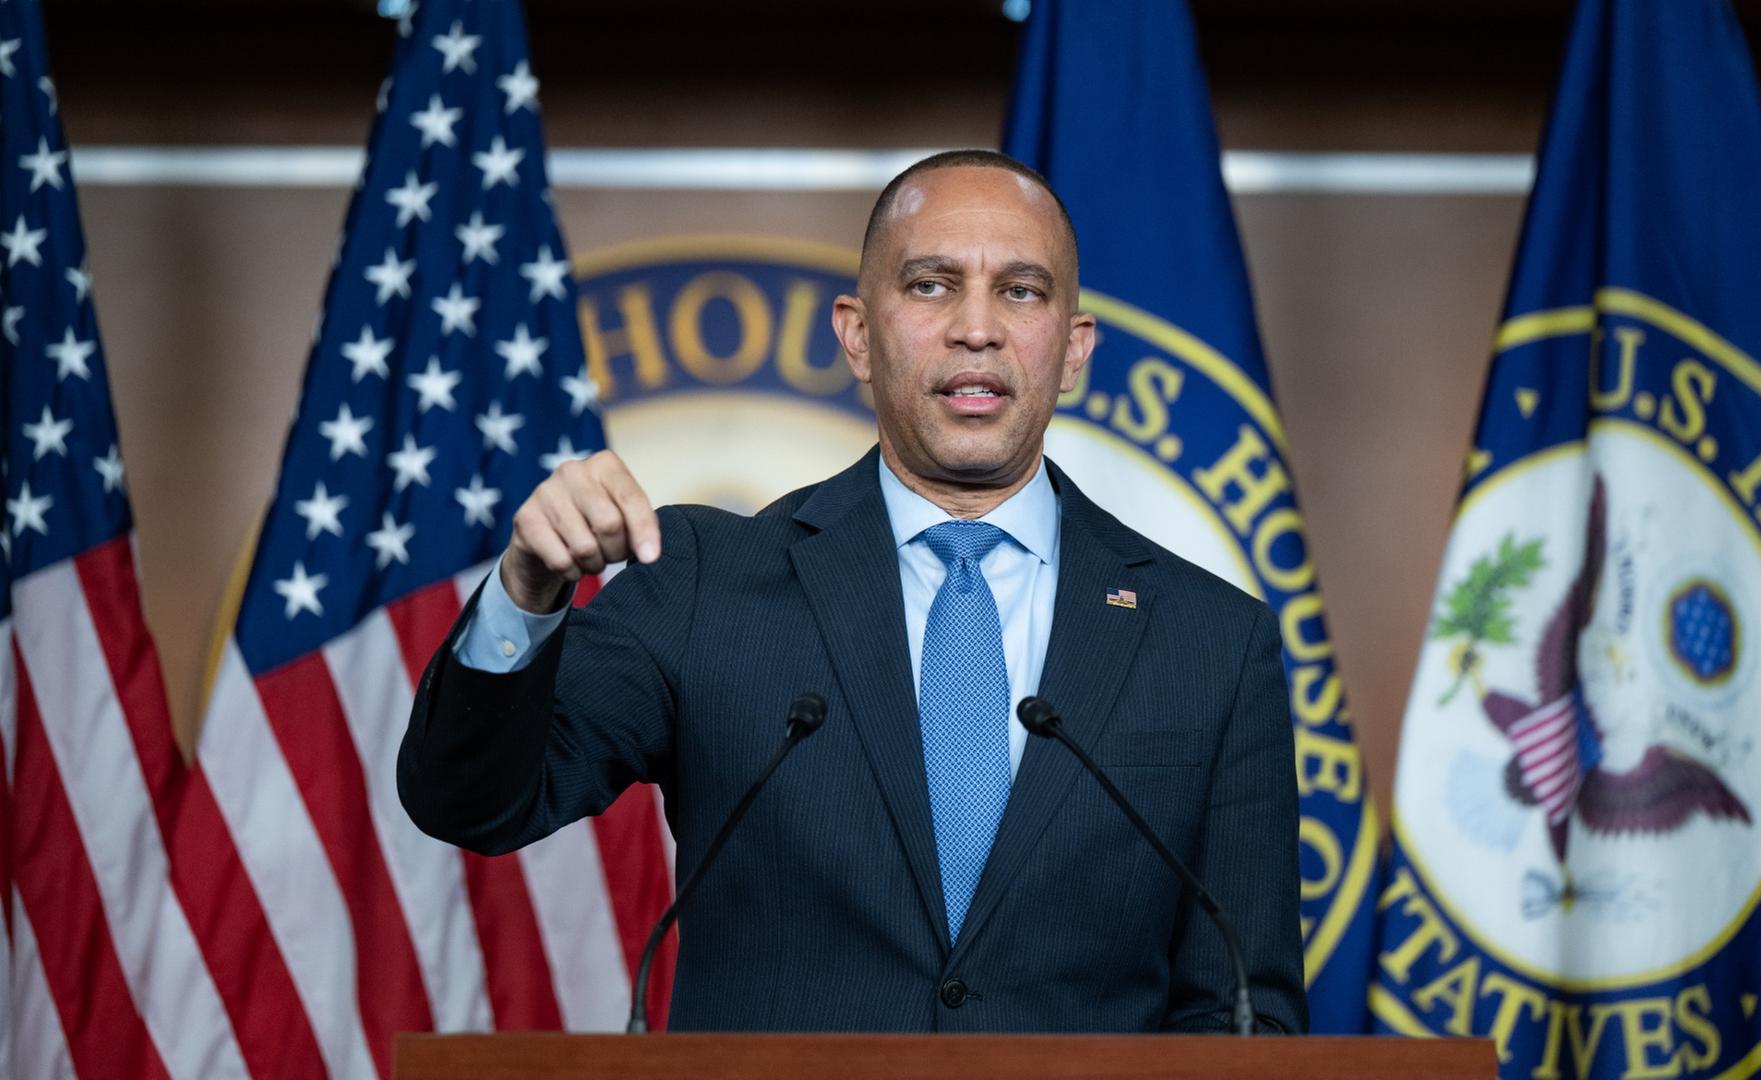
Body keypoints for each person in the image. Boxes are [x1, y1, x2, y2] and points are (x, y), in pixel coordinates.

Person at [398, 149, 1307, 1034]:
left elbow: (1244, 1014)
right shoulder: (703, 581)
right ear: (856, 334)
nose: (977, 327)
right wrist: (525, 592)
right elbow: (472, 802)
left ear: (1072, 350)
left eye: (1020, 291)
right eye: (931, 285)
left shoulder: (1212, 643)